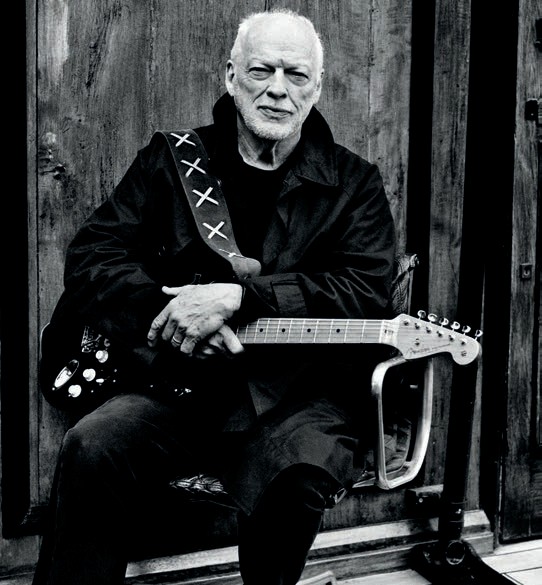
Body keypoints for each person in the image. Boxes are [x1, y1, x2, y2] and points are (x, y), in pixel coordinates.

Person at [33, 8, 396, 585]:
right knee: (93, 446)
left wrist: (240, 297)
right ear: (231, 76)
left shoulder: (355, 184)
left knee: (297, 477)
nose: (278, 89)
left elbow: (365, 291)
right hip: (179, 384)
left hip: (298, 396)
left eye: (296, 75)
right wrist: (175, 316)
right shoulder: (171, 158)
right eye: (261, 70)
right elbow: (93, 258)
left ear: (317, 87)